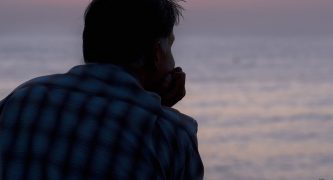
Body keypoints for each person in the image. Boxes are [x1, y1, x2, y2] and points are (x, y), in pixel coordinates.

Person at [0, 0, 204, 179]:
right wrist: (157, 113)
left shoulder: (22, 99)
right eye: (171, 47)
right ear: (156, 54)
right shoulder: (170, 134)